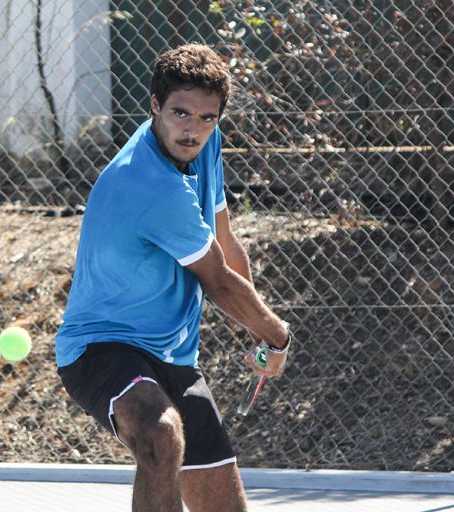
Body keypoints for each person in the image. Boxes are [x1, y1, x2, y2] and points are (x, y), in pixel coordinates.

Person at [55, 44, 293, 511]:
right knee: (160, 435)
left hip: (172, 352)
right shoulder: (149, 184)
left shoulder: (205, 144)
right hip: (101, 347)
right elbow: (217, 281)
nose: (193, 130)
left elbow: (225, 243)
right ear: (154, 107)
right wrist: (277, 335)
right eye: (180, 113)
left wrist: (255, 333)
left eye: (207, 118)